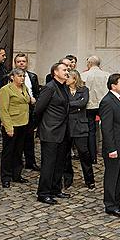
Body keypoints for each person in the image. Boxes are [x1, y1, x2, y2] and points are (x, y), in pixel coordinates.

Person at [34, 62, 71, 205]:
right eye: (64, 69)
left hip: (63, 131)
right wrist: (39, 126)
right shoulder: (49, 88)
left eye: (68, 69)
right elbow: (38, 109)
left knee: (59, 163)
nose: (67, 71)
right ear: (55, 72)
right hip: (50, 131)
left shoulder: (64, 87)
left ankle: (56, 189)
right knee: (48, 164)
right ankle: (43, 193)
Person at [99, 73, 120, 216]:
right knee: (112, 176)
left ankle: (118, 199)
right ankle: (110, 204)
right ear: (113, 86)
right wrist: (111, 148)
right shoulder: (107, 101)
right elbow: (106, 128)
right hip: (114, 147)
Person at [0, 68, 32, 188]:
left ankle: (16, 174)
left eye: (23, 76)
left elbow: (27, 100)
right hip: (12, 123)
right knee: (8, 151)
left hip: (23, 123)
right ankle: (6, 176)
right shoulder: (5, 90)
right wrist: (8, 127)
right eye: (19, 76)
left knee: (18, 151)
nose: (22, 78)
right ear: (12, 77)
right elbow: (3, 110)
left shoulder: (24, 88)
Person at [65, 69, 94, 189]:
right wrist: (75, 103)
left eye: (68, 77)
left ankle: (89, 179)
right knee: (65, 154)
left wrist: (69, 104)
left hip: (80, 126)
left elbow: (83, 103)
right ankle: (67, 179)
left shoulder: (84, 90)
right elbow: (61, 103)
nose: (66, 79)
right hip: (66, 126)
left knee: (84, 153)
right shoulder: (64, 90)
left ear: (74, 79)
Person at [13, 53, 41, 171]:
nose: (21, 63)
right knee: (16, 139)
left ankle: (31, 162)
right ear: (15, 63)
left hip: (30, 110)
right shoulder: (9, 76)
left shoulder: (33, 76)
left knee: (29, 138)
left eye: (23, 61)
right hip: (16, 111)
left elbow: (36, 92)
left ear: (27, 63)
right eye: (19, 61)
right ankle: (16, 163)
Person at [83, 55, 110, 163]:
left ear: (89, 64)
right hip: (104, 105)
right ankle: (107, 153)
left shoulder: (84, 75)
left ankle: (92, 156)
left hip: (89, 106)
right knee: (107, 129)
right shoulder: (107, 75)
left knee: (91, 131)